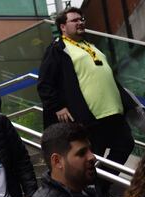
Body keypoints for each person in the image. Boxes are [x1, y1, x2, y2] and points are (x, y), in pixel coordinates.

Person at [37, 7, 135, 168]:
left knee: (125, 145)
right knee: (92, 156)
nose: (80, 22)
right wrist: (58, 106)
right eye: (74, 20)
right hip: (90, 117)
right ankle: (95, 189)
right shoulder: (57, 49)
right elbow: (44, 83)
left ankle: (101, 185)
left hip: (113, 112)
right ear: (62, 27)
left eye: (81, 19)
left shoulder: (89, 45)